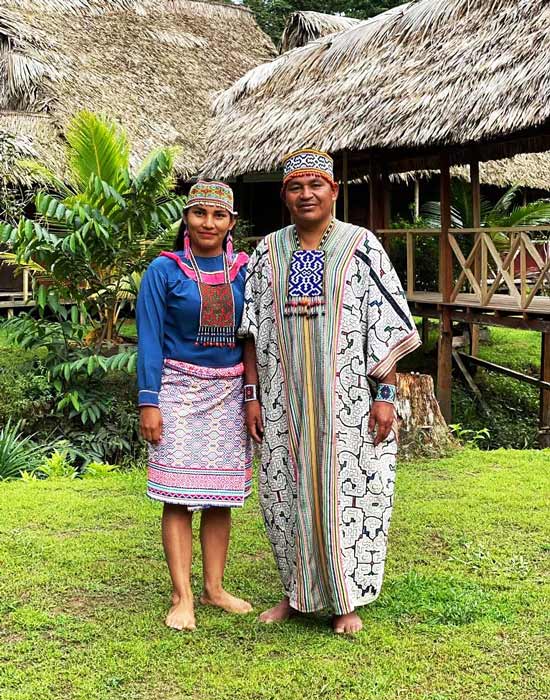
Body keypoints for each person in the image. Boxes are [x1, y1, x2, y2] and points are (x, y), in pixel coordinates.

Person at [241, 149, 421, 634]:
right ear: (284, 196)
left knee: (350, 493)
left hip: (348, 404)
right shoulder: (267, 253)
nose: (306, 194)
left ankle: (345, 599)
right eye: (296, 187)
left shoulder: (361, 246)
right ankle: (295, 595)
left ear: (334, 191)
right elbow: (253, 332)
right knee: (286, 492)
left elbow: (382, 328)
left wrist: (386, 397)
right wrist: (252, 396)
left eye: (315, 184)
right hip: (284, 404)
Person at [137, 180, 253, 631]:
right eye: (200, 213)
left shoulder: (244, 271)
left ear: (231, 223)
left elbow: (253, 338)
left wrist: (251, 398)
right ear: (186, 217)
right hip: (177, 391)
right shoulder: (163, 272)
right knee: (179, 496)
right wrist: (150, 401)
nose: (209, 223)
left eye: (218, 215)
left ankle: (214, 588)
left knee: (219, 495)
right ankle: (182, 595)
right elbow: (148, 339)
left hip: (228, 393)